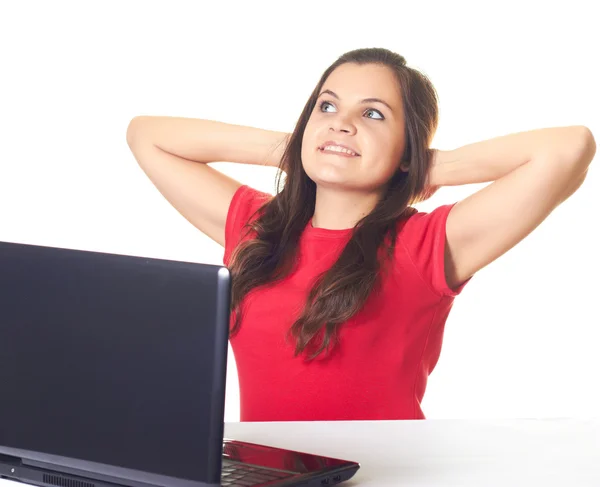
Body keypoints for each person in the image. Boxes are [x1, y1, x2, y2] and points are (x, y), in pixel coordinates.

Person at [126, 47, 595, 422]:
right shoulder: (256, 229)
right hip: (267, 477)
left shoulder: (426, 245)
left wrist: (431, 165)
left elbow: (570, 148)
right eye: (326, 106)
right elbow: (146, 134)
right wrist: (301, 145)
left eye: (373, 115)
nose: (341, 122)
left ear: (408, 146)